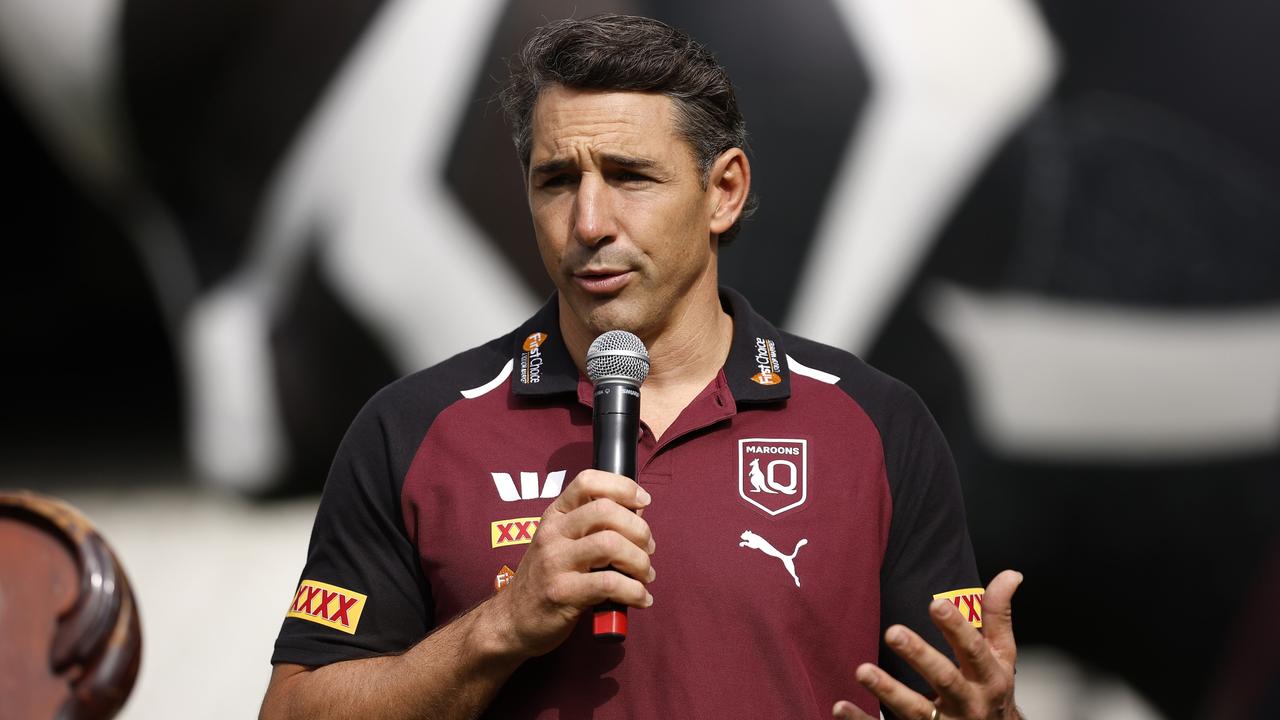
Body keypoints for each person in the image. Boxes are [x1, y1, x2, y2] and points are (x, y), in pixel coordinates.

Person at [261, 14, 1023, 720]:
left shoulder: (875, 425)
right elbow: (292, 710)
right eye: (558, 181)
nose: (589, 224)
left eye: (630, 177)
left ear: (723, 191)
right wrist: (500, 627)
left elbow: (957, 699)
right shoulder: (414, 429)